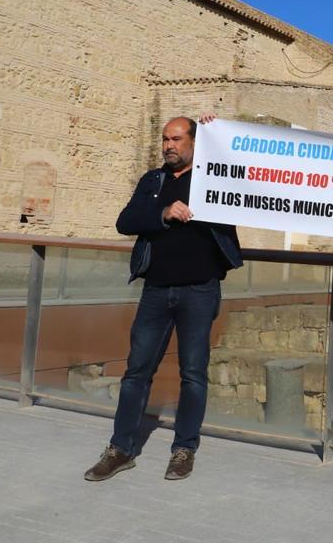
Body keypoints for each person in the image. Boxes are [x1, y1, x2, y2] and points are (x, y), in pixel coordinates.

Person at [84, 115, 242, 482]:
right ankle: (120, 449)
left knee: (193, 374)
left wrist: (220, 133)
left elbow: (246, 177)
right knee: (136, 371)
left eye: (177, 139)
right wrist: (164, 213)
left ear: (194, 143)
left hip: (199, 291)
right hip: (155, 291)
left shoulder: (215, 178)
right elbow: (126, 221)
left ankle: (183, 449)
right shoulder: (152, 181)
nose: (169, 146)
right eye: (165, 140)